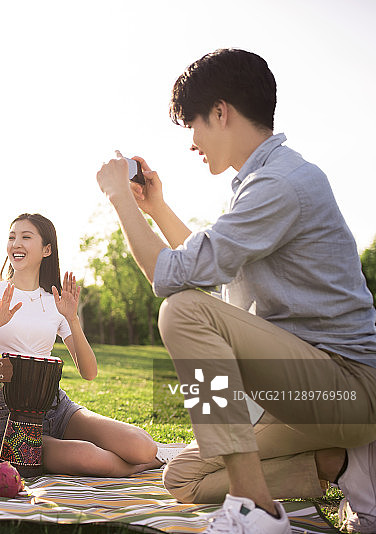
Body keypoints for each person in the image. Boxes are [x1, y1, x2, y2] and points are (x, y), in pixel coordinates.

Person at [95, 48, 376, 534]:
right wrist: (156, 208)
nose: (193, 143)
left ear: (221, 112)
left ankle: (255, 508)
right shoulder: (264, 182)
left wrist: (120, 198)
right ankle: (340, 465)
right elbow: (211, 271)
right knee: (183, 478)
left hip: (346, 388)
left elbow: (170, 277)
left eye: (195, 126)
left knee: (180, 311)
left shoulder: (282, 183)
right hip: (305, 390)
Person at [0, 212, 164, 477]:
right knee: (89, 457)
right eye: (12, 237)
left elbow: (89, 373)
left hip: (58, 407)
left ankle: (147, 460)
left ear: (47, 249)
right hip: (13, 418)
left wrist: (72, 318)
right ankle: (142, 467)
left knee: (143, 446)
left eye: (25, 237)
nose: (16, 244)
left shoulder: (56, 302)